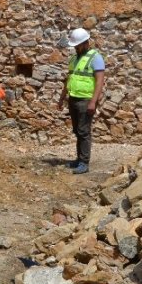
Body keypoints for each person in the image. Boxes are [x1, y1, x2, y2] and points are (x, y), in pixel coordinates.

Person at [57, 28, 106, 175]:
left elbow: (99, 81)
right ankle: (79, 159)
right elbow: (69, 80)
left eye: (78, 45)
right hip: (73, 98)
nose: (76, 48)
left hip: (86, 100)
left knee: (84, 132)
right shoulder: (74, 58)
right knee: (77, 131)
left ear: (85, 43)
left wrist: (93, 102)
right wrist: (61, 98)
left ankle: (84, 162)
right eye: (74, 46)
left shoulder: (95, 57)